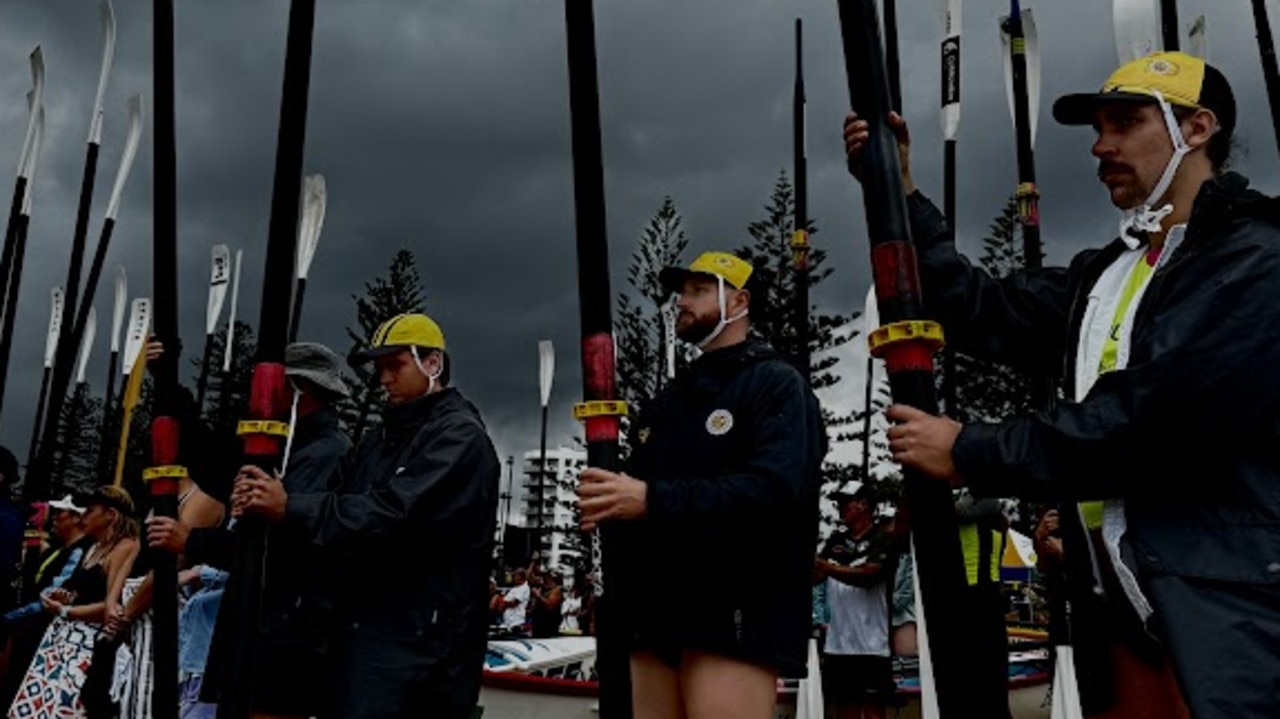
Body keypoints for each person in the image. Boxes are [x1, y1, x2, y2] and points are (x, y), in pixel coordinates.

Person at [844, 51, 1279, 718]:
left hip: (1228, 605)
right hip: (1120, 606)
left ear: (1198, 128)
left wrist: (969, 450)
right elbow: (977, 307)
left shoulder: (1254, 258)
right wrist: (900, 194)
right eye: (1097, 128)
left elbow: (1152, 418)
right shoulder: (1103, 274)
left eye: (1126, 123)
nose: (1102, 146)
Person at [577, 251, 826, 719]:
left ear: (740, 301)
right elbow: (637, 498)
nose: (681, 302)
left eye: (698, 290)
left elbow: (776, 490)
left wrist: (650, 499)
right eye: (680, 292)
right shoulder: (668, 401)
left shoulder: (777, 384)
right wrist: (610, 508)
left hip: (734, 610)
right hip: (654, 611)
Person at [236, 313, 500, 719]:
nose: (384, 379)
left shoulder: (460, 437)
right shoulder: (377, 441)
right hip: (363, 634)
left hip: (419, 644)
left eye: (395, 365)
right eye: (379, 369)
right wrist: (270, 499)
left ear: (433, 363)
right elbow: (335, 497)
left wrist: (291, 506)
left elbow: (393, 514)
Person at [153, 341, 354, 719]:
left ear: (297, 389)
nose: (255, 395)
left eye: (266, 385)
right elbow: (212, 460)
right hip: (257, 627)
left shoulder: (327, 453)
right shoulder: (283, 448)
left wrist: (193, 540)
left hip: (286, 636)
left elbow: (286, 545)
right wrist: (167, 382)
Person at [8, 487, 139, 719]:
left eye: (89, 511)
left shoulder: (125, 546)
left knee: (67, 709)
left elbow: (115, 606)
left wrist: (66, 610)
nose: (84, 517)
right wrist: (65, 597)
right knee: (38, 709)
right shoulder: (94, 547)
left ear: (110, 514)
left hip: (87, 644)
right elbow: (85, 592)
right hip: (60, 639)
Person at [0, 495, 93, 708]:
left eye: (61, 512)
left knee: (18, 691)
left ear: (76, 518)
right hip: (25, 630)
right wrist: (34, 524)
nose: (54, 518)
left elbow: (50, 596)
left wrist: (9, 617)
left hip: (41, 635)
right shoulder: (59, 550)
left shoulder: (79, 552)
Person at [814, 482, 896, 719]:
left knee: (873, 712)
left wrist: (826, 566)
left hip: (872, 644)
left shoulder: (883, 539)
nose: (839, 508)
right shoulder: (835, 540)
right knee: (845, 711)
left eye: (845, 502)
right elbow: (816, 576)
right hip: (838, 644)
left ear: (863, 505)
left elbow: (869, 576)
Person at [500, 568, 531, 635]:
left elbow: (514, 603)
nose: (514, 578)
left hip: (516, 621)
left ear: (520, 576)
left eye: (515, 576)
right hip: (508, 621)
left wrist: (505, 603)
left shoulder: (524, 588)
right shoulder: (514, 588)